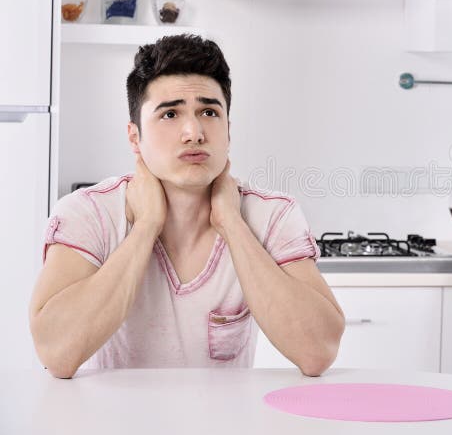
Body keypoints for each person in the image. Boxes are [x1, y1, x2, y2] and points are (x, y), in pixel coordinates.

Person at [29, 34, 344, 378]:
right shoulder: (88, 213)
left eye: (209, 112)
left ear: (228, 129)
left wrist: (232, 225)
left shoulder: (271, 215)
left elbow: (317, 352)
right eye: (170, 114)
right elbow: (56, 353)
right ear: (135, 137)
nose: (193, 132)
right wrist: (147, 225)